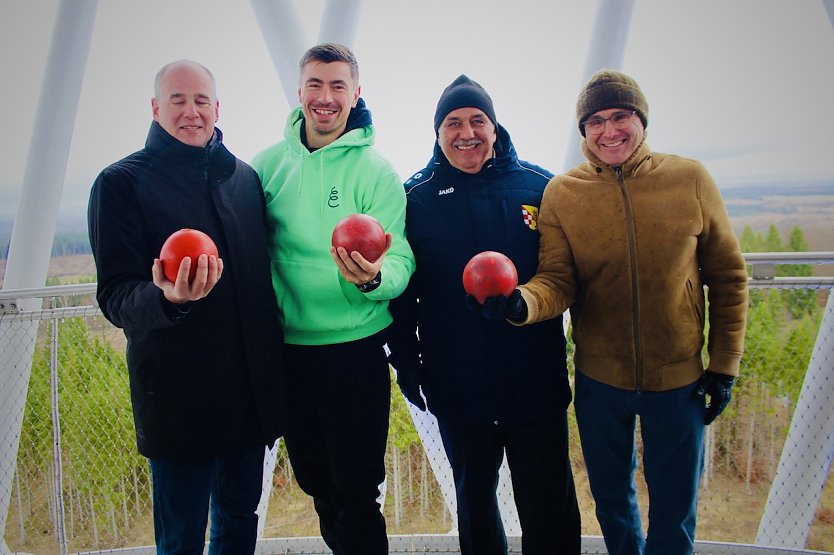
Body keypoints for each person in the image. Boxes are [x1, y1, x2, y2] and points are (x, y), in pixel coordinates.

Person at [475, 69, 749, 555]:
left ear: (641, 120)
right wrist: (521, 303)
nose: (609, 131)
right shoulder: (564, 193)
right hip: (600, 382)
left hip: (679, 379)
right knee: (612, 503)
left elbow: (729, 278)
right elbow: (557, 280)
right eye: (596, 121)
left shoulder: (689, 179)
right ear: (584, 131)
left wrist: (724, 367)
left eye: (621, 116)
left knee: (675, 507)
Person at [87, 60, 286, 554]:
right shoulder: (120, 184)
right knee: (180, 539)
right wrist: (168, 299)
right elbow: (115, 295)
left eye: (201, 101)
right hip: (178, 398)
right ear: (156, 109)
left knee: (238, 523)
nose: (191, 112)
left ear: (217, 108)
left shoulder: (244, 179)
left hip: (246, 398)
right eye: (178, 100)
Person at [388, 74, 581, 555]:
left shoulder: (539, 187)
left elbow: (564, 274)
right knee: (475, 504)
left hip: (535, 379)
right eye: (453, 123)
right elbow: (403, 293)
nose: (466, 132)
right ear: (437, 133)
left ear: (495, 127)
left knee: (549, 505)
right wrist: (406, 361)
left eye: (478, 120)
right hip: (459, 384)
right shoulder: (415, 198)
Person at [250, 43, 414, 555]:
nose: (326, 97)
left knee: (357, 492)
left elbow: (400, 259)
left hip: (354, 352)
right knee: (317, 483)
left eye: (338, 86)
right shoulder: (266, 167)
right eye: (316, 85)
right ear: (299, 92)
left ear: (356, 94)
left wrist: (372, 280)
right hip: (289, 352)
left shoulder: (377, 172)